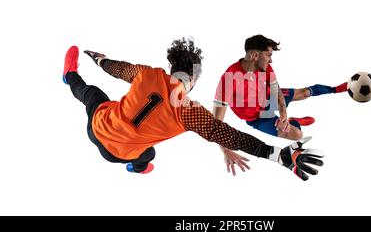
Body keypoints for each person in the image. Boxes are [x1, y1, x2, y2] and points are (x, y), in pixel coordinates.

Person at [62, 38, 324, 180]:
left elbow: (117, 68)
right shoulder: (189, 111)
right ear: (194, 79)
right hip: (119, 154)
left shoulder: (148, 73)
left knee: (91, 95)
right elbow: (229, 135)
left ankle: (69, 75)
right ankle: (138, 168)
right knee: (147, 154)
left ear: (170, 67)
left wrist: (99, 58)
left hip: (98, 127)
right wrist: (277, 155)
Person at [212, 35, 346, 175]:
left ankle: (338, 89)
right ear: (255, 55)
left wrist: (283, 116)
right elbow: (215, 123)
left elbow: (277, 93)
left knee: (305, 93)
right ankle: (295, 122)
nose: (271, 60)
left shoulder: (266, 67)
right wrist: (225, 149)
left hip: (269, 98)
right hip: (258, 118)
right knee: (297, 135)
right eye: (269, 55)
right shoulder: (229, 78)